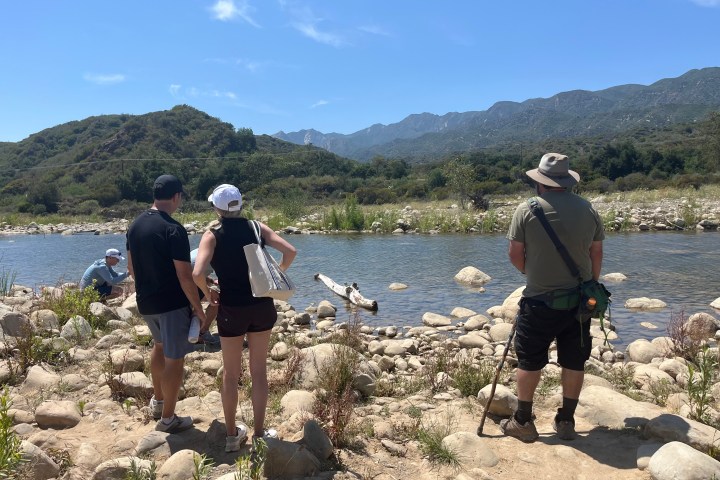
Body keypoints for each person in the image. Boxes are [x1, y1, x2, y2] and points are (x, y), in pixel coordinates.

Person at [500, 153, 604, 442]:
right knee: (574, 360)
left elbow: (514, 255)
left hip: (539, 300)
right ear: (567, 182)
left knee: (529, 360)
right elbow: (596, 253)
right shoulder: (588, 209)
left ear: (540, 183)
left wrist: (532, 274)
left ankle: (523, 421)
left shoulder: (526, 209)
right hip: (580, 301)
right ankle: (567, 421)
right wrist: (591, 283)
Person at [192, 184, 296, 453]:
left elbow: (197, 273)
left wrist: (209, 292)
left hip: (231, 309)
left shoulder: (212, 234)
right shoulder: (256, 227)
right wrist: (275, 276)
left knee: (230, 374)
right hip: (261, 306)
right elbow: (290, 251)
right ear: (240, 204)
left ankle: (231, 436)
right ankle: (260, 433)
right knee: (259, 372)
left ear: (217, 207)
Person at [126, 174, 207, 434]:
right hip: (172, 304)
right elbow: (185, 275)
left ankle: (158, 401)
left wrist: (146, 289)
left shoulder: (134, 226)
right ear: (176, 197)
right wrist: (197, 306)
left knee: (159, 347)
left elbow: (131, 268)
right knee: (175, 359)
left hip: (146, 302)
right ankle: (169, 419)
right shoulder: (173, 228)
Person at [190, 247, 220, 344]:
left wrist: (208, 281)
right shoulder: (220, 253)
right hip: (189, 285)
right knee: (218, 299)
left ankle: (193, 331)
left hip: (180, 283)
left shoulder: (202, 250)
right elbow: (195, 275)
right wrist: (211, 290)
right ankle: (202, 332)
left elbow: (194, 269)